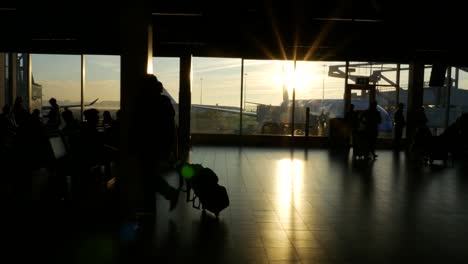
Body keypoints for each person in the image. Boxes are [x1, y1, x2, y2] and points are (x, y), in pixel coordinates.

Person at [138, 74, 178, 213]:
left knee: (148, 175)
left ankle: (163, 197)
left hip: (150, 145)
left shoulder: (147, 102)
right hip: (158, 144)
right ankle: (163, 196)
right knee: (149, 175)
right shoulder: (163, 102)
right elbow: (170, 126)